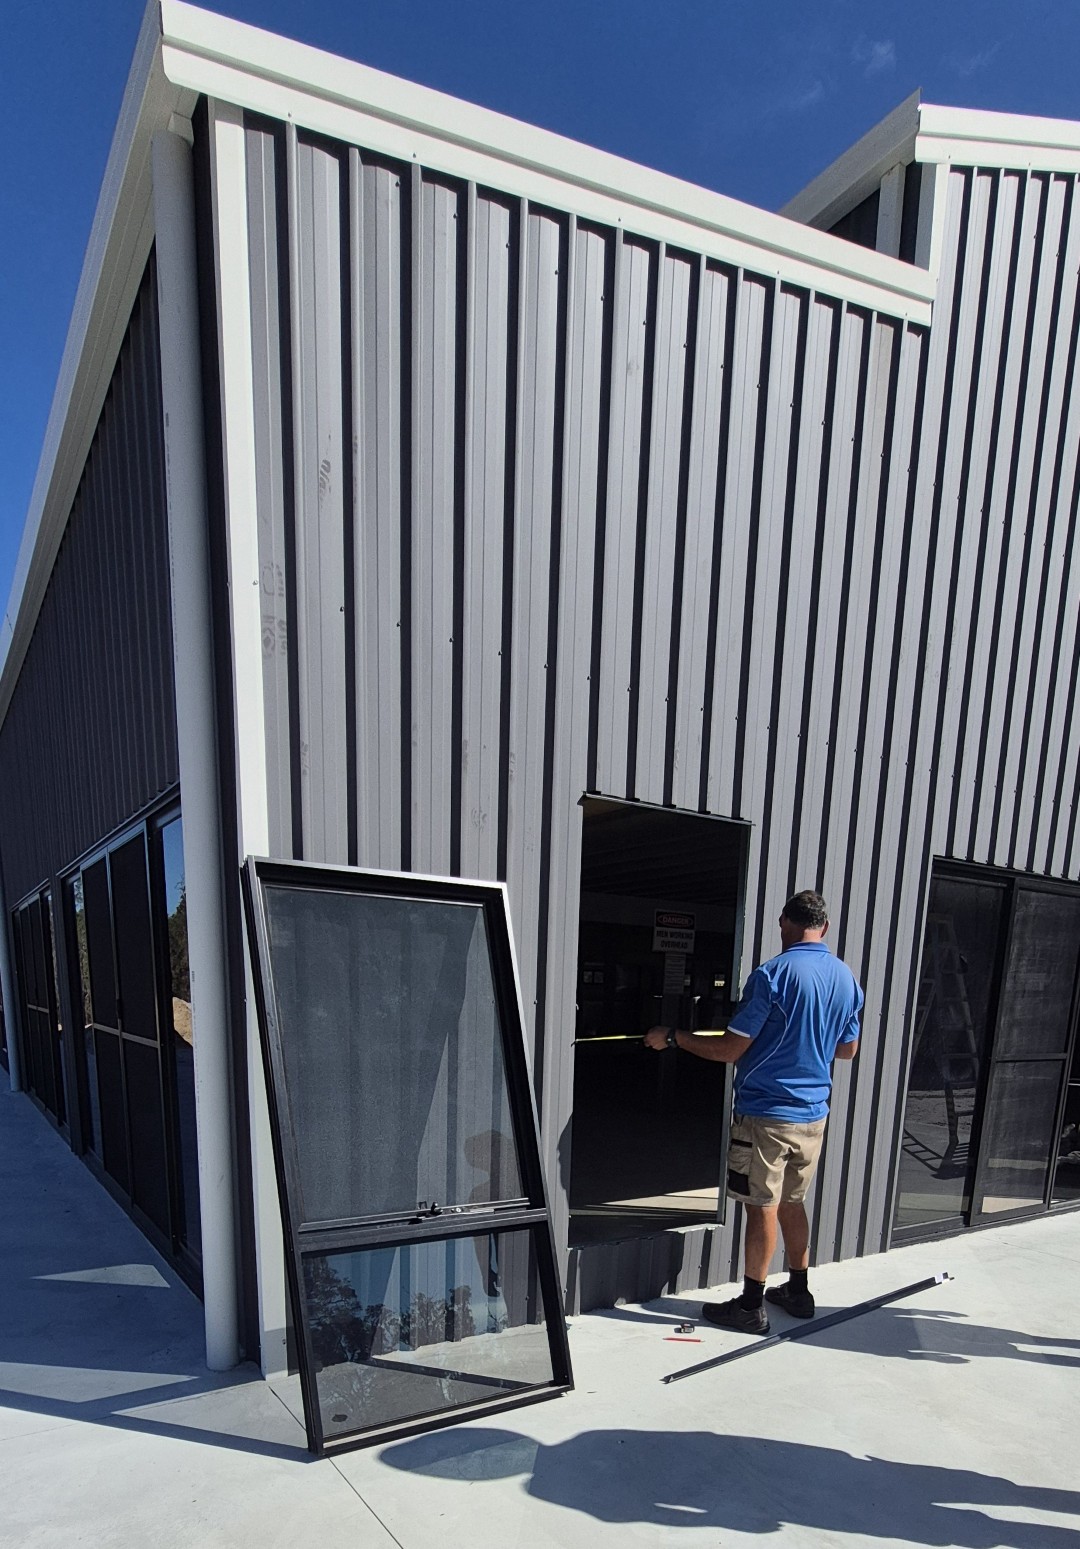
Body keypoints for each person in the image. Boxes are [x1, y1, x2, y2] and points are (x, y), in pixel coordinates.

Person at [644, 890, 862, 1334]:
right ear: (825, 927)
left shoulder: (773, 975)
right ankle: (798, 1292)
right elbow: (847, 1050)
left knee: (760, 1206)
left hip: (767, 1114)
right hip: (812, 1115)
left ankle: (749, 1305)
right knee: (792, 1202)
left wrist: (671, 1037)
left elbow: (730, 1049)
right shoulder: (846, 979)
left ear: (784, 922)